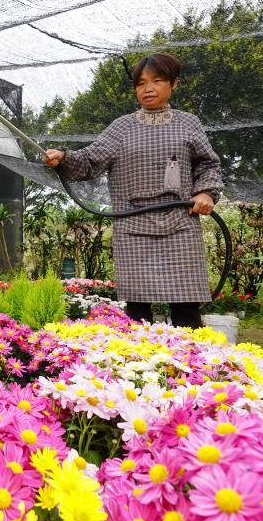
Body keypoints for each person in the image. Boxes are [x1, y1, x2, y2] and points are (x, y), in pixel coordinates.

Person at [43, 53, 223, 328]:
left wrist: (206, 193)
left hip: (181, 225)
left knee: (186, 309)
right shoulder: (121, 127)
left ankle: (189, 368)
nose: (148, 88)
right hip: (132, 225)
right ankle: (138, 367)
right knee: (137, 312)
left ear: (174, 84)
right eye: (141, 83)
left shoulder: (188, 123)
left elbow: (209, 164)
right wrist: (64, 157)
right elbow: (90, 161)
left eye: (157, 80)